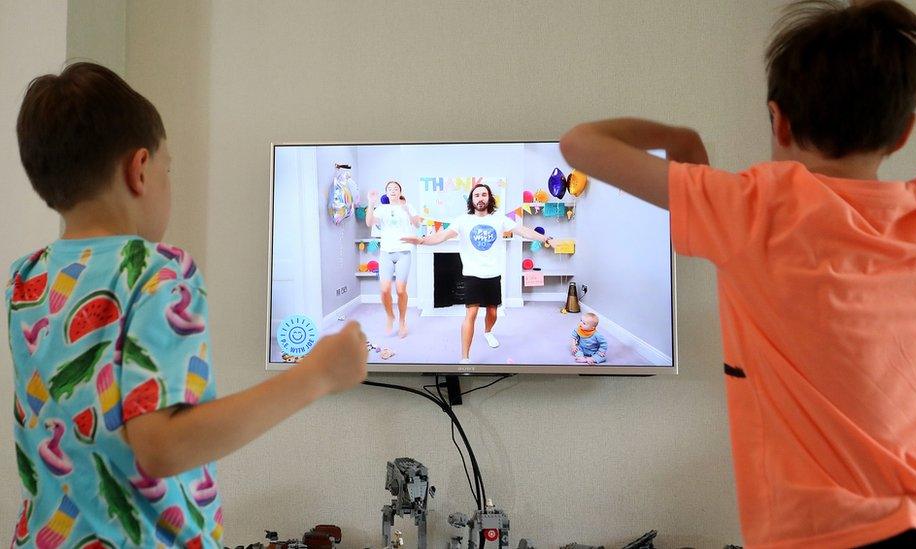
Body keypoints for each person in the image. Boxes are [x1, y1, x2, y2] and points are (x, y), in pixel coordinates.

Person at [559, 1, 916, 546]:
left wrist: (679, 137)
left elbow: (579, 144)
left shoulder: (754, 209)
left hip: (819, 534)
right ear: (903, 133)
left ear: (778, 118)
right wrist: (896, 45)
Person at [7, 62, 367, 547]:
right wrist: (317, 375)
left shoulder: (26, 279)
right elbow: (161, 447)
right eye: (167, 167)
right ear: (139, 170)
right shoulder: (157, 270)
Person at [402, 183, 555, 363]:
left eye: (483, 195)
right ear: (472, 200)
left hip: (493, 275)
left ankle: (488, 332)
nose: (480, 198)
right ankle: (465, 358)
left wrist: (545, 238)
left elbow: (523, 231)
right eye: (476, 195)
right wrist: (421, 240)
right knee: (471, 314)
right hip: (472, 275)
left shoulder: (500, 219)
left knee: (493, 313)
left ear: (489, 198)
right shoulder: (463, 220)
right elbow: (441, 236)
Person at [365, 180, 421, 338]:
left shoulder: (408, 206)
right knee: (384, 290)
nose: (393, 190)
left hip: (404, 252)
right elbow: (369, 222)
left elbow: (417, 224)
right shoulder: (382, 209)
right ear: (386, 193)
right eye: (390, 189)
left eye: (396, 188)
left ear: (400, 192)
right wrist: (371, 202)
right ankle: (390, 316)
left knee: (401, 290)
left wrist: (407, 211)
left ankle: (402, 321)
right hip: (386, 253)